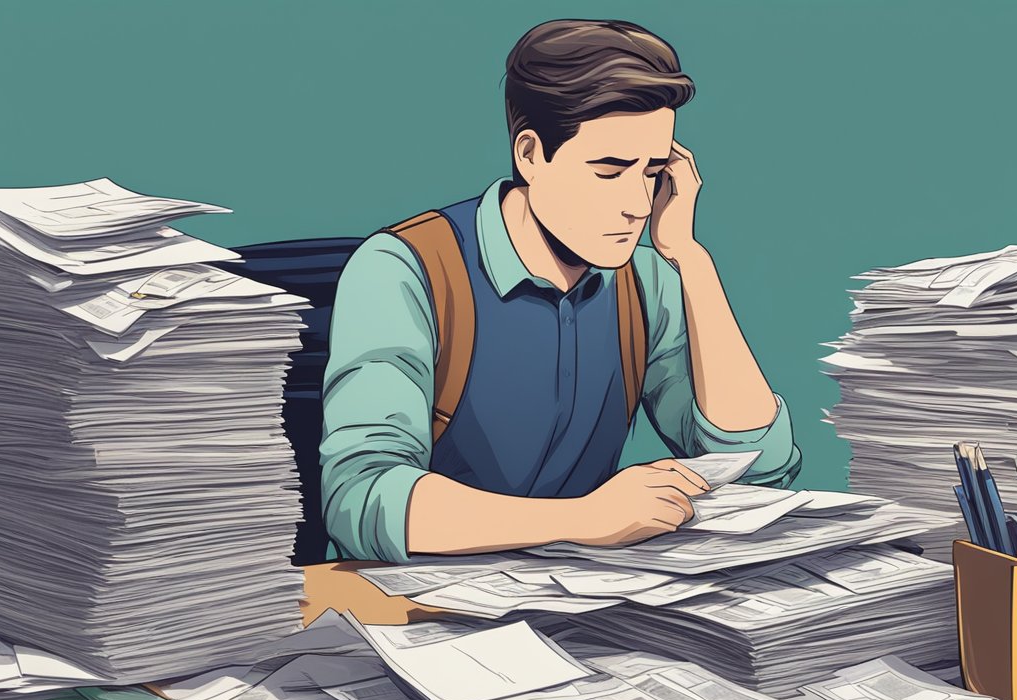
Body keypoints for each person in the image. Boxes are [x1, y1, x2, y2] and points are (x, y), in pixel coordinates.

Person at [320, 18, 802, 564]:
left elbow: (762, 469)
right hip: (418, 608)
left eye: (651, 172)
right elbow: (360, 498)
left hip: (582, 597)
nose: (639, 205)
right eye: (610, 170)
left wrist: (690, 259)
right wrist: (586, 518)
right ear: (530, 155)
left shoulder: (645, 281)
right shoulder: (405, 269)